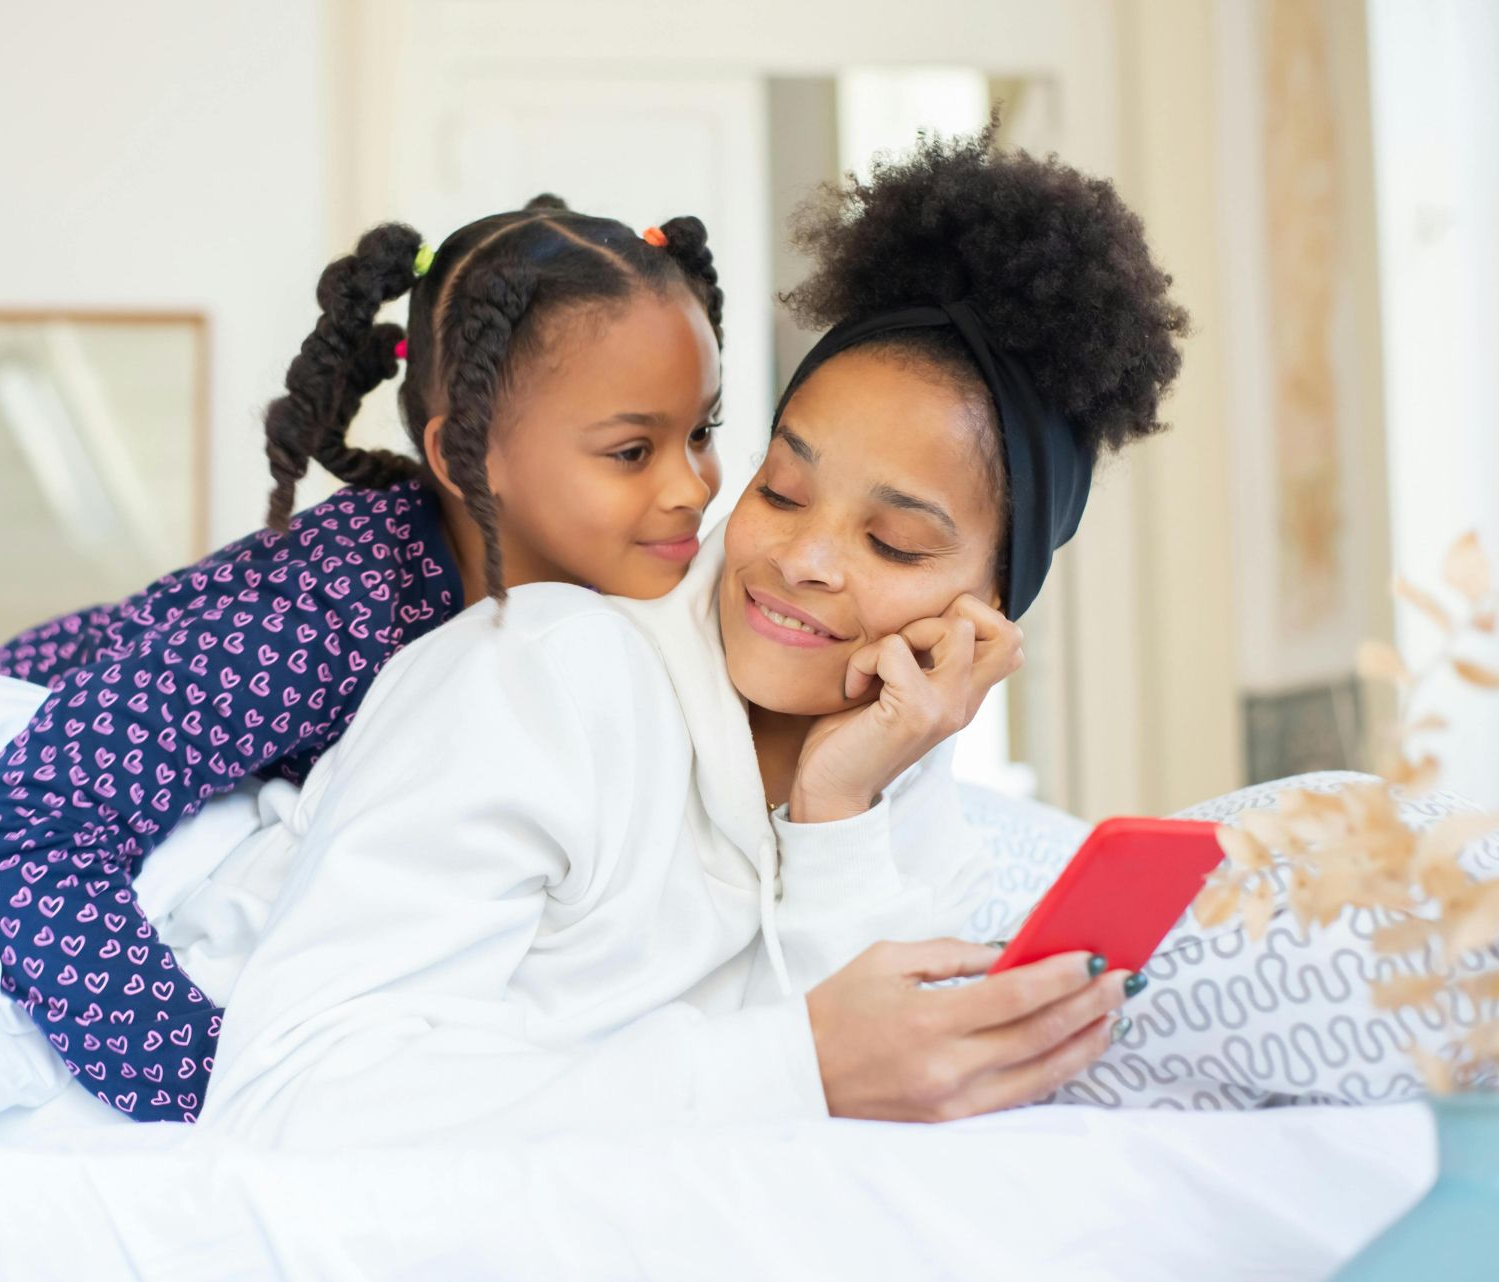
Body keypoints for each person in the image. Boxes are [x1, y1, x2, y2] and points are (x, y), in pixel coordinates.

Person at [198, 128, 1191, 1147]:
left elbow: (884, 1134)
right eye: (782, 488)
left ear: (991, 606)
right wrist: (795, 1066)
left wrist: (835, 811)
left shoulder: (907, 801)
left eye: (893, 544)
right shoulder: (542, 679)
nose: (804, 557)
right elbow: (287, 1103)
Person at [0, 196, 728, 1120]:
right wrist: (214, 1086)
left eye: (702, 430)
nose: (692, 486)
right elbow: (20, 834)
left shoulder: (623, 596)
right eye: (633, 450)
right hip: (21, 701)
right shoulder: (331, 608)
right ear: (470, 458)